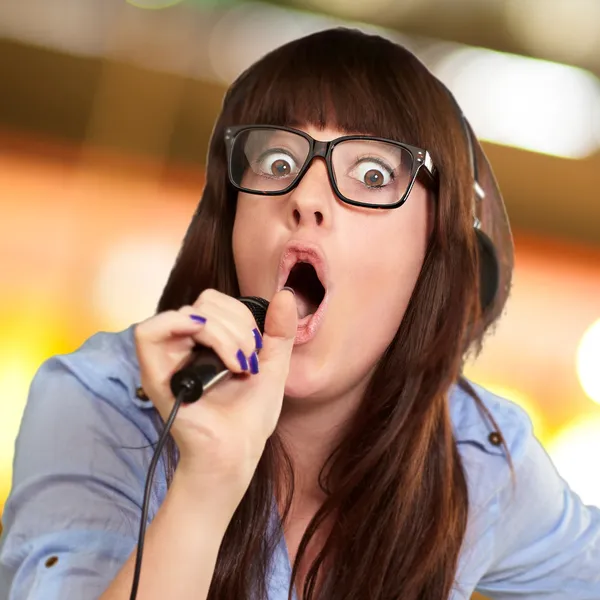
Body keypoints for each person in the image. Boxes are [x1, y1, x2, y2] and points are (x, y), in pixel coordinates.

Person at [0, 27, 598, 600]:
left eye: (371, 174)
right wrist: (208, 482)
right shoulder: (101, 401)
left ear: (434, 252)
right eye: (278, 163)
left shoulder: (478, 455)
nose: (306, 198)